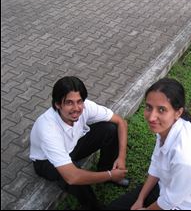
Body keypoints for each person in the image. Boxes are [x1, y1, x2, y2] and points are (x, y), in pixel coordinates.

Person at [107, 78, 191, 210]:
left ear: (178, 112)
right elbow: (156, 166)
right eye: (149, 107)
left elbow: (169, 201)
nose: (152, 117)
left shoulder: (186, 157)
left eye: (161, 110)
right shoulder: (166, 130)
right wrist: (140, 199)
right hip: (165, 188)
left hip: (188, 205)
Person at [29, 76, 129, 210]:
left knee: (110, 129)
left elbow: (120, 122)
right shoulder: (48, 128)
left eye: (79, 101)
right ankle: (93, 206)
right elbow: (72, 177)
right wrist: (110, 175)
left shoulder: (86, 107)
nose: (76, 108)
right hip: (46, 162)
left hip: (72, 146)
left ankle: (106, 169)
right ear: (58, 104)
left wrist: (121, 157)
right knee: (75, 174)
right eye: (69, 103)